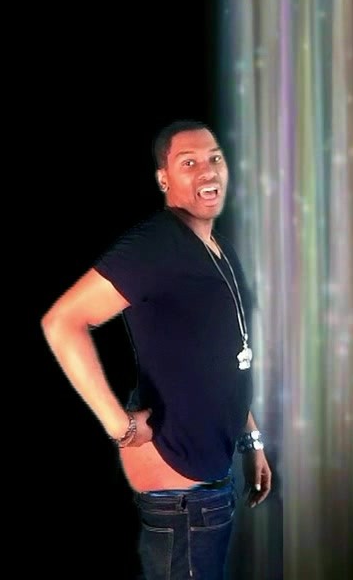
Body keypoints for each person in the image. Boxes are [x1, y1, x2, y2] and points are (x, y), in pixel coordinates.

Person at [41, 119, 272, 579]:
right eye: (189, 163)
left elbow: (230, 355)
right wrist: (120, 426)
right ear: (163, 179)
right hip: (180, 493)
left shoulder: (219, 249)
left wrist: (252, 442)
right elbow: (62, 322)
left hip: (210, 476)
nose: (207, 170)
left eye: (214, 158)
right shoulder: (156, 246)